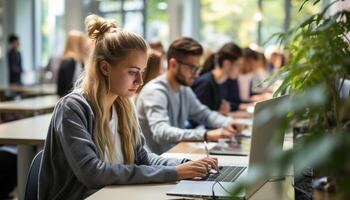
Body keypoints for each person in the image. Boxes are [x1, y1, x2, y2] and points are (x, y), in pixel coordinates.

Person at [38, 15, 218, 200]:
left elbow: (144, 158)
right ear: (105, 68)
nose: (140, 81)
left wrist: (186, 164)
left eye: (142, 72)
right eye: (132, 72)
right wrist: (175, 173)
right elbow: (93, 174)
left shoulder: (124, 106)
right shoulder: (72, 108)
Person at [136, 37, 243, 155]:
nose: (196, 75)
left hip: (176, 156)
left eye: (198, 69)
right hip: (157, 164)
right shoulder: (155, 92)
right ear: (173, 64)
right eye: (192, 68)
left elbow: (204, 114)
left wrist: (228, 122)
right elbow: (161, 132)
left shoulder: (184, 89)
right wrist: (206, 135)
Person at [192, 42, 243, 116]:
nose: (241, 70)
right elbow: (196, 117)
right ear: (227, 64)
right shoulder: (205, 84)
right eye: (238, 65)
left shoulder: (224, 82)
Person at [56, 30, 90, 97]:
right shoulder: (69, 62)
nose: (85, 46)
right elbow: (67, 88)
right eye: (83, 43)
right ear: (77, 45)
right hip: (69, 101)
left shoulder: (79, 62)